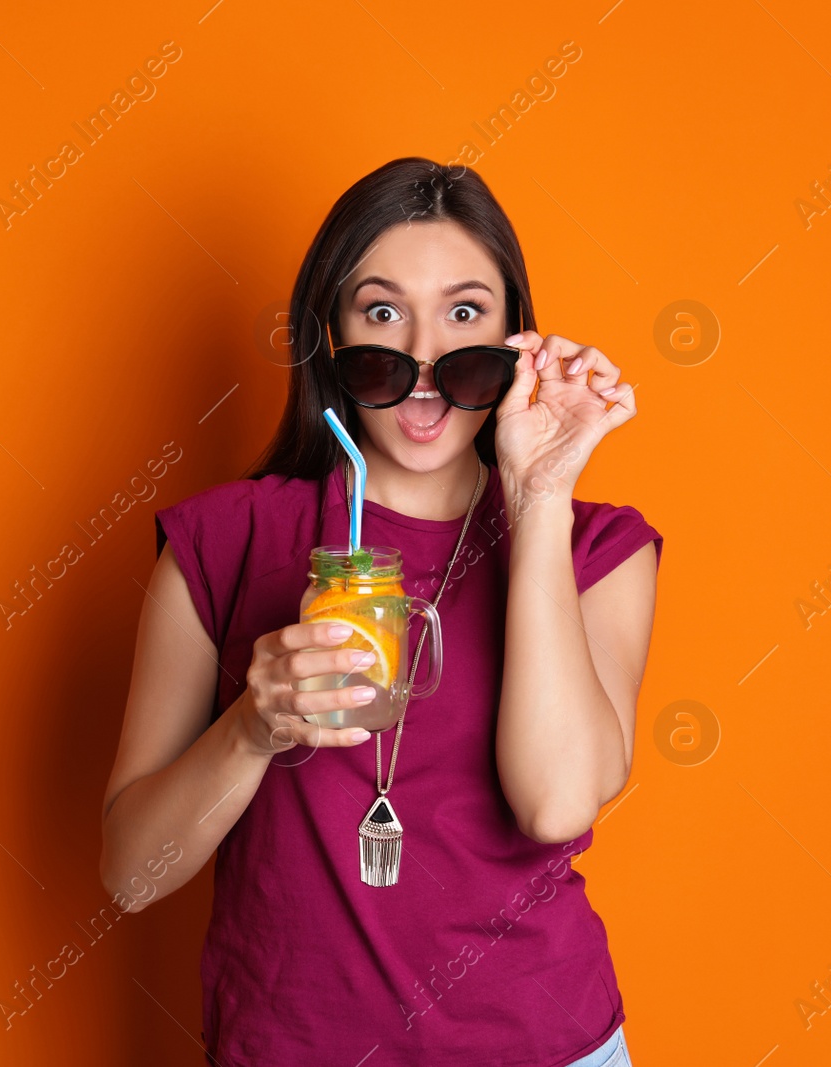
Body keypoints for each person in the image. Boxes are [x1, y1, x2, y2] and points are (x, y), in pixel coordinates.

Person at [99, 157, 660, 1067]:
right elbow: (130, 876)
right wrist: (252, 725)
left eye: (466, 313)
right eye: (384, 311)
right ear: (331, 335)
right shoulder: (222, 542)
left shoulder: (597, 549)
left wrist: (541, 488)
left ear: (519, 337)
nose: (425, 361)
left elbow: (556, 801)